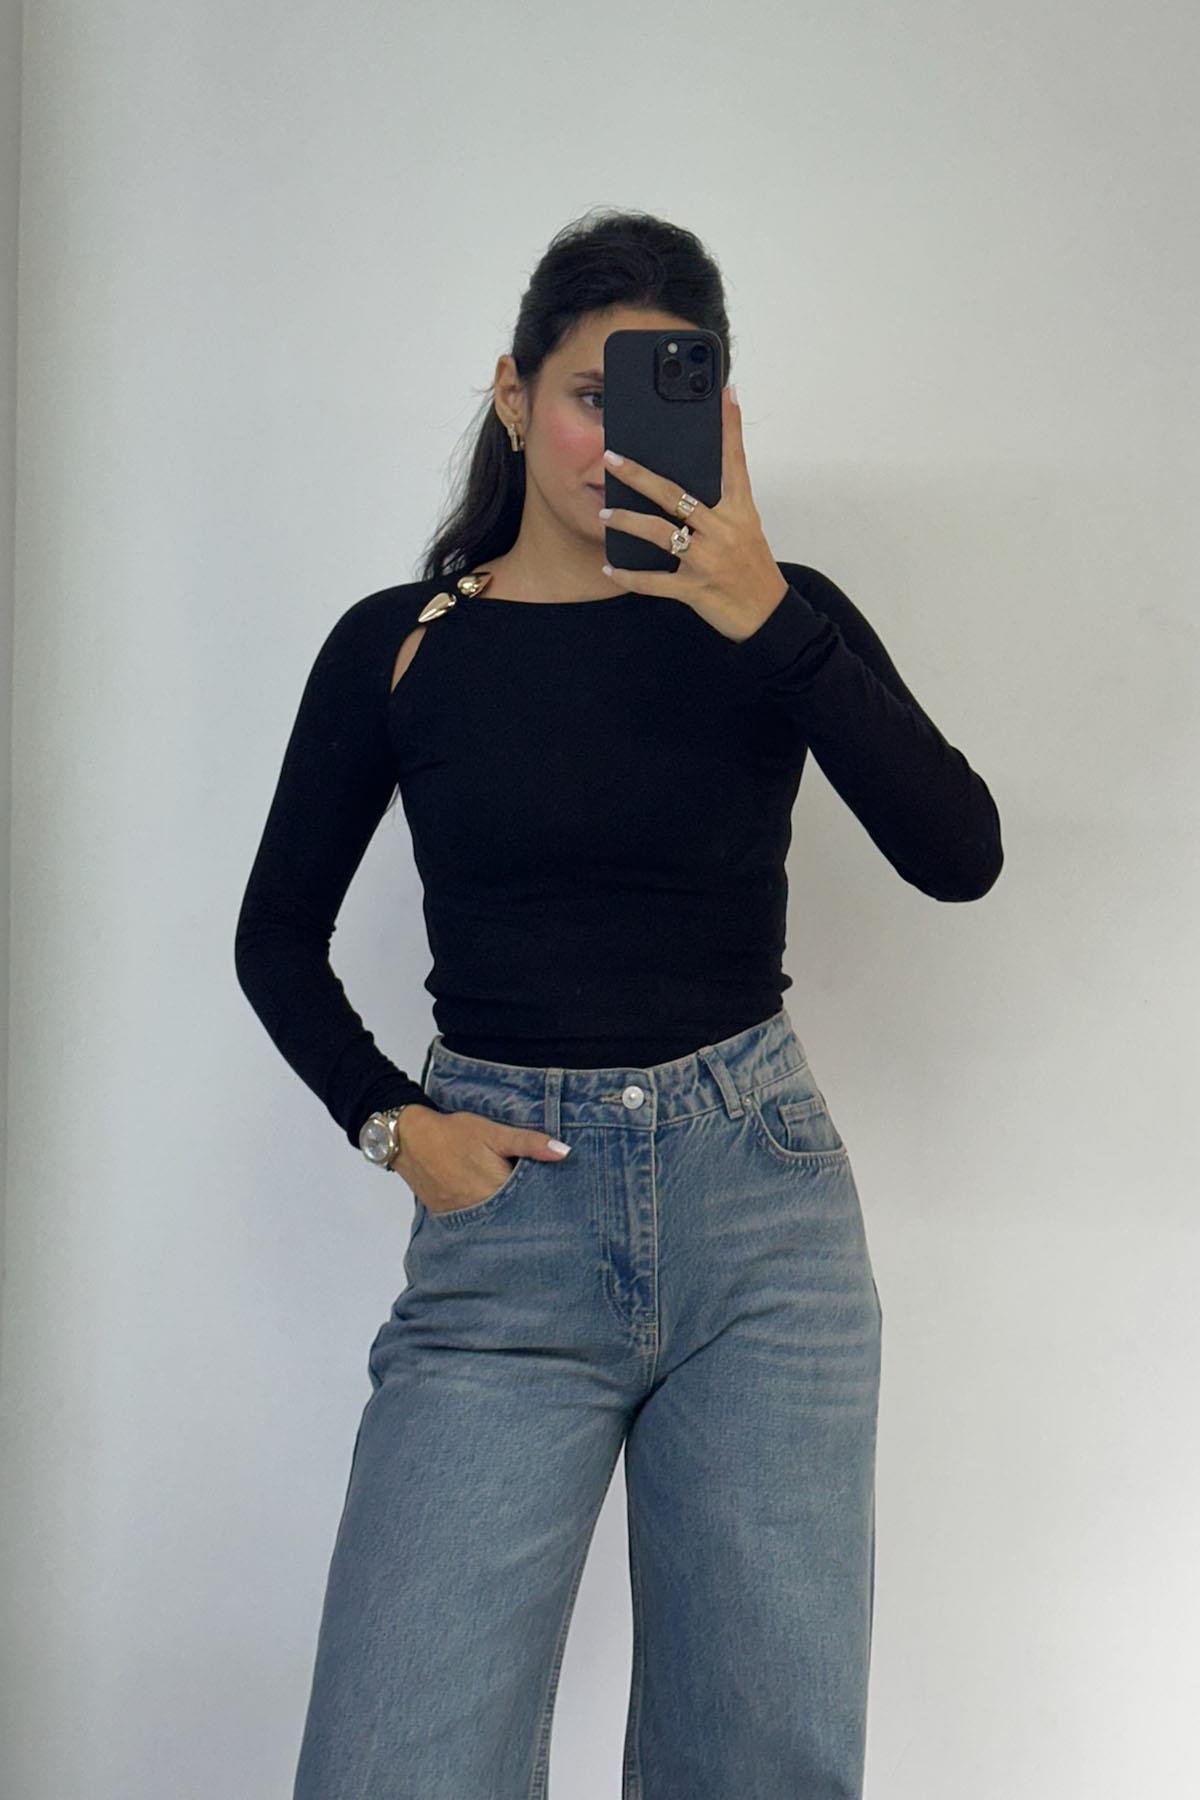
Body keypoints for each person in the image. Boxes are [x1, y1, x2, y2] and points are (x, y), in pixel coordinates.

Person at [234, 206, 1003, 1800]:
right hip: (505, 1230)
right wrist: (395, 1125)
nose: (616, 437)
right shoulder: (401, 649)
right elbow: (275, 937)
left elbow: (960, 854)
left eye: (669, 396)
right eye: (591, 393)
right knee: (388, 1764)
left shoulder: (776, 618)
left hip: (763, 1227)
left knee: (759, 1770)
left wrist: (767, 613)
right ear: (514, 396)